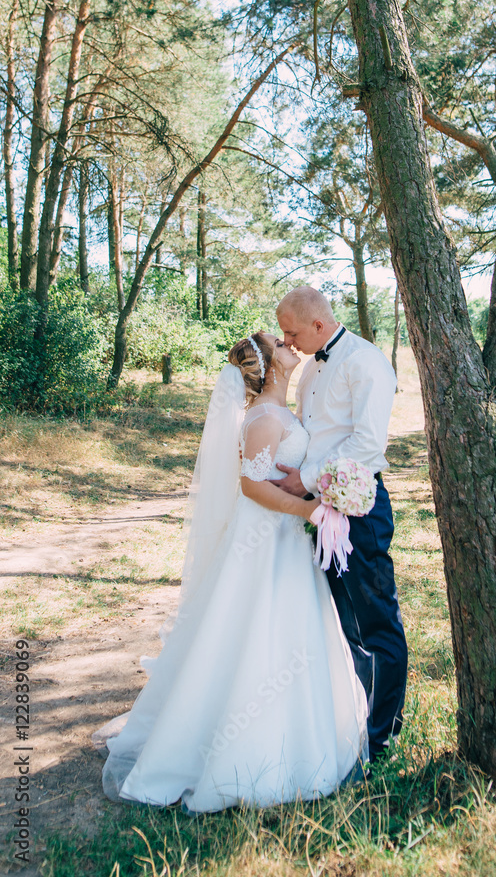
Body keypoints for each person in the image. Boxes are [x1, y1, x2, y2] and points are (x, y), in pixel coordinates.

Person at [92, 332, 367, 813]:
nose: (291, 346)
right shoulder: (262, 417)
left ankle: (300, 737)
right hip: (265, 538)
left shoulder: (282, 411)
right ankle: (236, 751)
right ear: (271, 365)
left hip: (285, 540)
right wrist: (308, 513)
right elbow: (250, 486)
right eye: (281, 344)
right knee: (253, 630)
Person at [274, 287, 408, 764]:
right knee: (345, 621)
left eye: (291, 331)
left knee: (374, 623)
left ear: (317, 325)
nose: (286, 341)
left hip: (358, 508)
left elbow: (367, 445)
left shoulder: (366, 363)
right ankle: (355, 720)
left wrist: (304, 480)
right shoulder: (311, 365)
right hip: (318, 508)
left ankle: (382, 737)